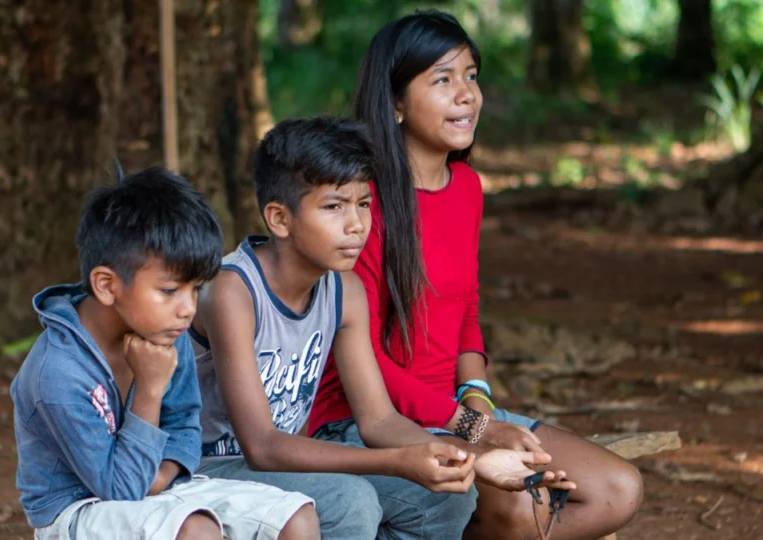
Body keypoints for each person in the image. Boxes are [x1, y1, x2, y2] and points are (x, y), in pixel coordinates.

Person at [308, 11, 644, 540]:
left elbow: (466, 306)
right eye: (442, 79)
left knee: (616, 489)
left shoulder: (466, 186)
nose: (467, 94)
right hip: (366, 420)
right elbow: (365, 362)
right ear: (395, 103)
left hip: (456, 409)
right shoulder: (362, 204)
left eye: (471, 75)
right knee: (521, 511)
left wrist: (478, 400)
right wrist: (478, 431)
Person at [191, 117, 572, 540]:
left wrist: (472, 456)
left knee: (446, 494)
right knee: (349, 500)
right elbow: (261, 446)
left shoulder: (345, 291)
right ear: (280, 219)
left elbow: (378, 420)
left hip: (287, 461)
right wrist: (398, 462)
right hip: (209, 467)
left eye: (364, 204)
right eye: (334, 206)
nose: (356, 224)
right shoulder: (232, 290)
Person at [10, 166, 320, 540]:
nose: (187, 308)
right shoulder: (58, 371)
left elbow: (186, 424)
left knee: (295, 517)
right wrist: (150, 387)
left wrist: (162, 474)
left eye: (195, 290)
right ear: (107, 285)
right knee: (196, 531)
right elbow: (120, 488)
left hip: (161, 486)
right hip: (76, 509)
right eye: (170, 290)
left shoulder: (166, 331)